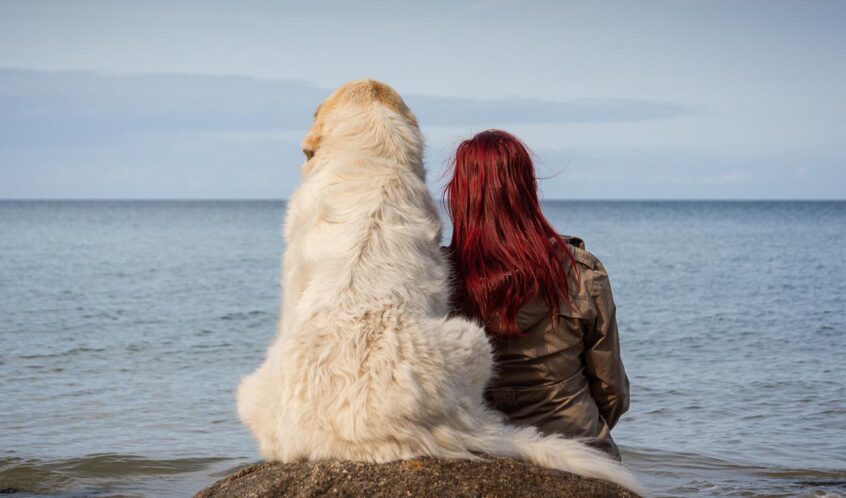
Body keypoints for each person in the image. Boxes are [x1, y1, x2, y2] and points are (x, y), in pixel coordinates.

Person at [443, 129, 630, 460]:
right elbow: (612, 394)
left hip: (486, 451)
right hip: (582, 452)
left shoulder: (437, 280)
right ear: (526, 191)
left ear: (461, 195)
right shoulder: (582, 274)